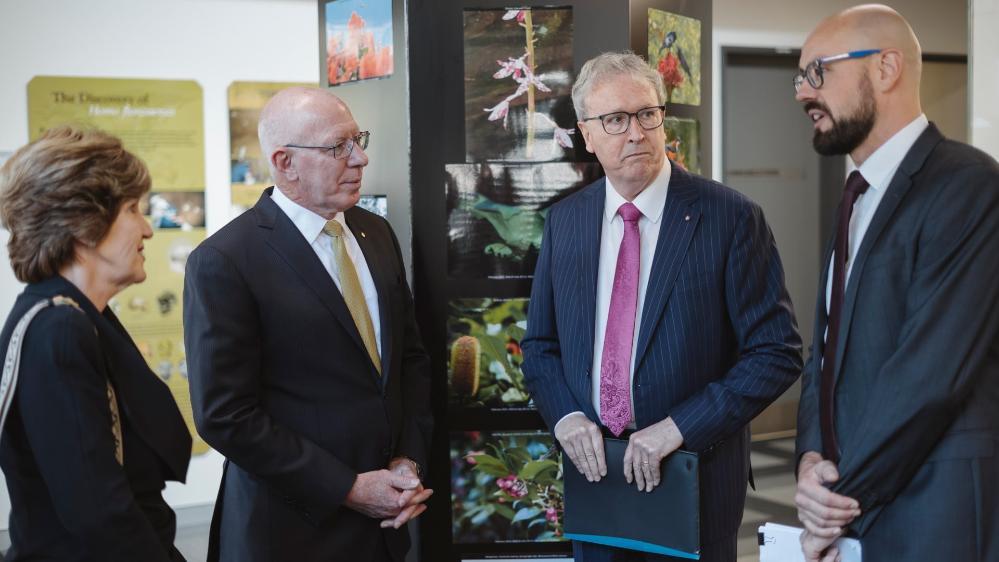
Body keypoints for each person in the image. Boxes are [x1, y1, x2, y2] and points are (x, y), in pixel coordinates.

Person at [521, 51, 803, 561]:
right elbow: (541, 345)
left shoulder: (730, 217)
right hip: (597, 480)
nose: (636, 133)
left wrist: (678, 428)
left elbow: (776, 352)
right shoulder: (565, 222)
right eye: (615, 120)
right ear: (587, 134)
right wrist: (565, 417)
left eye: (647, 114)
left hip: (692, 475)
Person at [183, 86, 433, 562]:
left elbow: (409, 361)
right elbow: (225, 415)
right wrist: (347, 488)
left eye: (358, 139)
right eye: (338, 146)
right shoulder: (225, 260)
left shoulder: (374, 232)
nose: (359, 159)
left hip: (388, 524)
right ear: (284, 162)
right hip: (291, 531)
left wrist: (407, 461)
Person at [792, 5, 999, 561]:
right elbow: (827, 351)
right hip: (857, 501)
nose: (802, 93)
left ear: (885, 69)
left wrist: (837, 502)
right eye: (799, 76)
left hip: (932, 511)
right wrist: (812, 461)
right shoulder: (856, 196)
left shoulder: (969, 186)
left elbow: (931, 373)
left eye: (818, 72)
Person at [0, 127, 192, 561]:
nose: (147, 229)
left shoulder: (76, 315)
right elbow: (98, 512)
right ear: (83, 225)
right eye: (132, 209)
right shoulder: (60, 329)